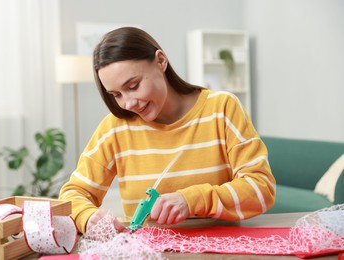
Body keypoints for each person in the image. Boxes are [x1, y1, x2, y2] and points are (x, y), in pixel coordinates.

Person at [59, 27, 276, 234]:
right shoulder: (115, 128)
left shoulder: (222, 109)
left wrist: (193, 200)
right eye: (116, 94)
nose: (128, 103)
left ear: (161, 61)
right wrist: (87, 216)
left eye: (133, 86)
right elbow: (73, 194)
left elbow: (261, 188)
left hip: (222, 252)